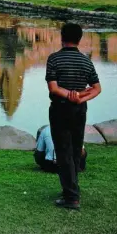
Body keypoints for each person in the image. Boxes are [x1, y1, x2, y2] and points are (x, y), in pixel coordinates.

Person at [45, 23, 101, 210]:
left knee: (63, 151)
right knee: (76, 149)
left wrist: (70, 95)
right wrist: (80, 97)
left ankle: (71, 197)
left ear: (62, 37)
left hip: (61, 109)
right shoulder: (86, 61)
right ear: (79, 39)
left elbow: (53, 88)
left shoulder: (54, 59)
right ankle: (72, 188)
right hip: (79, 110)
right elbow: (97, 89)